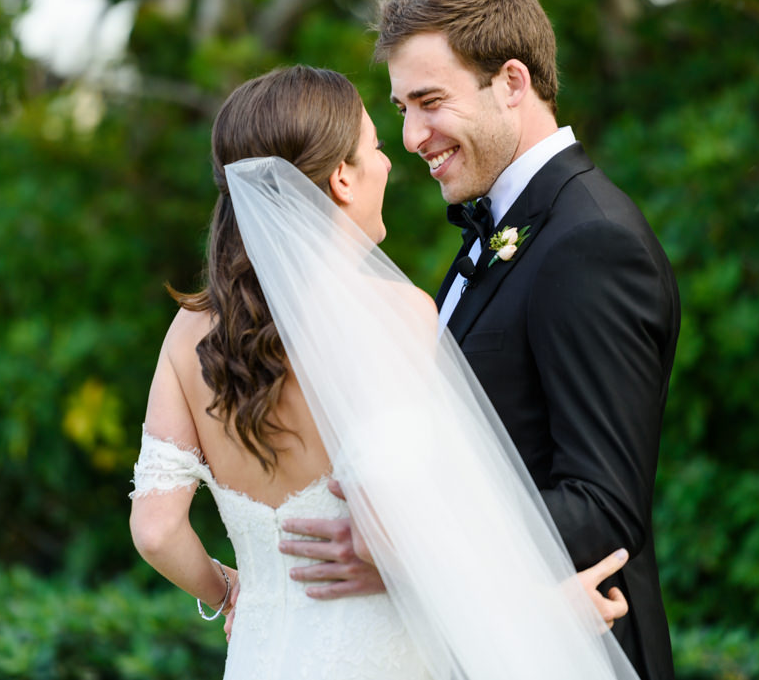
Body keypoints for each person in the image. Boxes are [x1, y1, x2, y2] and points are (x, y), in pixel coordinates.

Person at [129, 65, 638, 679]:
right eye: (374, 146)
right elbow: (388, 537)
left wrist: (231, 591)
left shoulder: (189, 330)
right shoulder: (392, 313)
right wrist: (535, 608)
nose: (389, 162)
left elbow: (156, 531)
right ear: (342, 178)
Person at [281, 0, 680, 680]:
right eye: (402, 108)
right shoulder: (500, 228)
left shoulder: (591, 241)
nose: (411, 137)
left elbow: (602, 506)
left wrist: (410, 550)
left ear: (513, 83)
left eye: (430, 101)